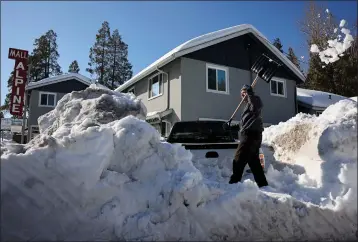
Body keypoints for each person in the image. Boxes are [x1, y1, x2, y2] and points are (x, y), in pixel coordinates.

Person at [229, 84, 268, 188]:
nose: (242, 95)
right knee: (254, 163)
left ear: (249, 92)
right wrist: (231, 127)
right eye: (241, 93)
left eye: (244, 92)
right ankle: (263, 185)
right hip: (250, 136)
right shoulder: (247, 106)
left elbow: (255, 107)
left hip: (250, 136)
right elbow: (244, 124)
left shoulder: (255, 100)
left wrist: (250, 94)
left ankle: (234, 185)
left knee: (238, 159)